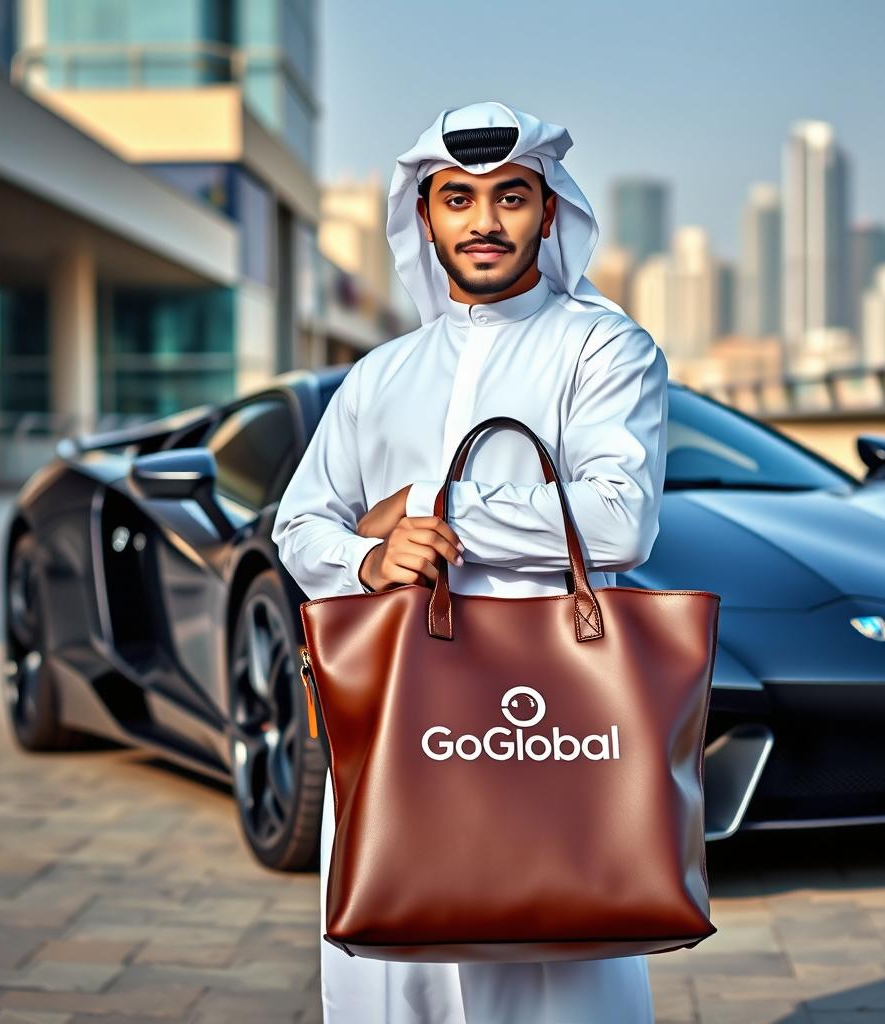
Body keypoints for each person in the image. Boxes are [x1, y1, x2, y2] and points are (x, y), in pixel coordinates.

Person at [272, 100, 668, 1023]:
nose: (484, 222)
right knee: (388, 980)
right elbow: (300, 530)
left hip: (547, 726)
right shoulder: (379, 375)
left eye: (511, 198)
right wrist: (370, 564)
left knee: (554, 977)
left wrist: (421, 508)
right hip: (402, 716)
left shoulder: (604, 348)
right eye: (457, 199)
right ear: (425, 216)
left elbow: (618, 523)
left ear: (550, 211)